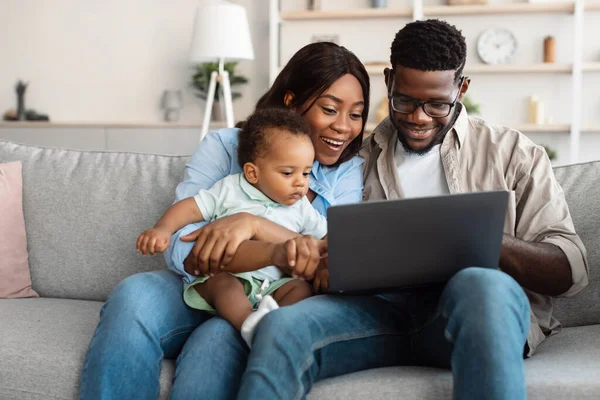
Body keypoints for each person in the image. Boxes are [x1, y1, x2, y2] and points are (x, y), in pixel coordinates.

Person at [236, 20, 588, 400]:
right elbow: (303, 229)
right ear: (388, 81)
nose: (419, 117)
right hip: (378, 315)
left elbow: (570, 271)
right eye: (404, 101)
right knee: (281, 327)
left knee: (483, 284)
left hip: (472, 313)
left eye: (437, 104)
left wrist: (484, 241)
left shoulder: (513, 154)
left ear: (462, 87)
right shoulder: (356, 158)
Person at [78, 41, 369, 400]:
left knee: (217, 337)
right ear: (293, 102)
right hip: (207, 282)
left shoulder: (348, 173)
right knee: (133, 296)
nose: (343, 127)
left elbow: (334, 260)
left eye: (356, 114)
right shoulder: (226, 146)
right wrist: (283, 250)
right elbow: (186, 244)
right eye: (329, 109)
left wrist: (253, 225)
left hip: (272, 299)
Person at [135, 108, 328, 347]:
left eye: (306, 173)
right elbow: (191, 208)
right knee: (223, 284)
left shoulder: (301, 207)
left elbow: (327, 236)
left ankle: (275, 325)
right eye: (288, 173)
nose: (300, 182)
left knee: (299, 289)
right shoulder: (231, 190)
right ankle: (249, 325)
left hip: (274, 286)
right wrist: (162, 229)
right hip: (232, 276)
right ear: (252, 173)